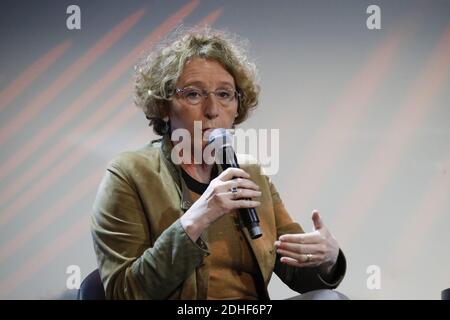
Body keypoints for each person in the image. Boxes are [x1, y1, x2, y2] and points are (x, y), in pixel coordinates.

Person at [90, 27, 346, 300]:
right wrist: (195, 220)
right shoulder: (129, 174)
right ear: (164, 106)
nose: (212, 110)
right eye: (193, 94)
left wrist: (327, 259)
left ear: (237, 106)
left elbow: (296, 271)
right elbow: (123, 293)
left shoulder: (251, 174)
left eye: (224, 94)